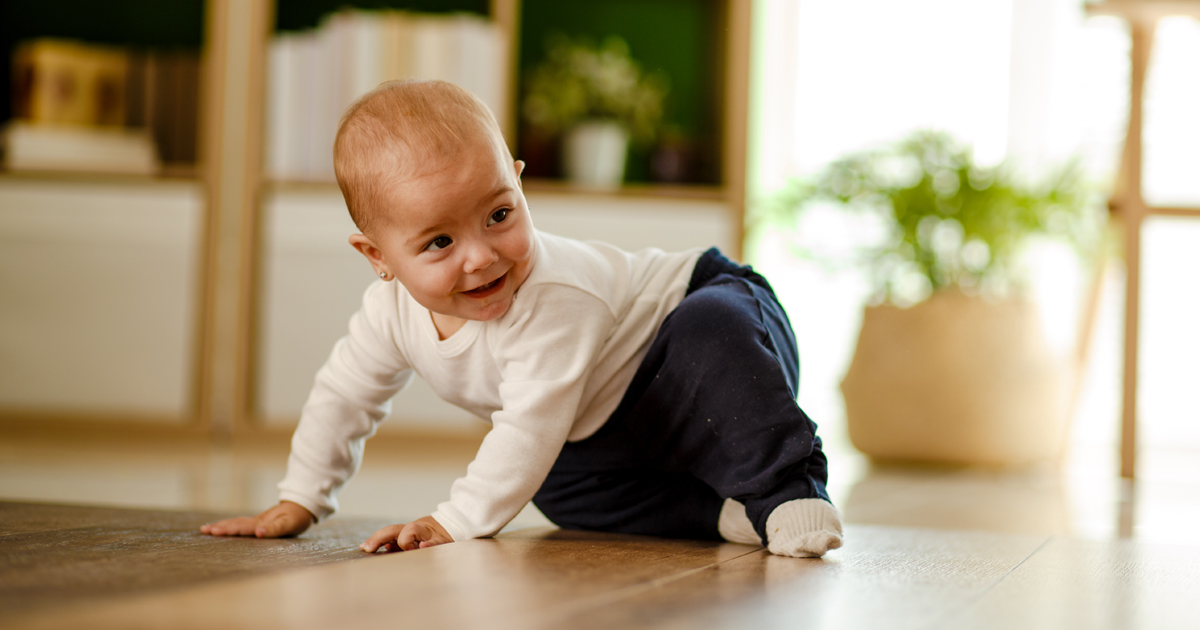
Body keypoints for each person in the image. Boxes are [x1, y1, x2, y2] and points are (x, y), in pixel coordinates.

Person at [200, 79, 842, 558]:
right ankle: (721, 514)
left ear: (519, 183)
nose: (481, 258)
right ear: (378, 257)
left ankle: (787, 491)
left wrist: (454, 520)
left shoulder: (554, 295)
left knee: (715, 334)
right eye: (439, 243)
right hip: (605, 419)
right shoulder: (387, 317)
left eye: (499, 215)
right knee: (562, 492)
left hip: (691, 326)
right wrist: (302, 496)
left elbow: (530, 423)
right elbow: (344, 395)